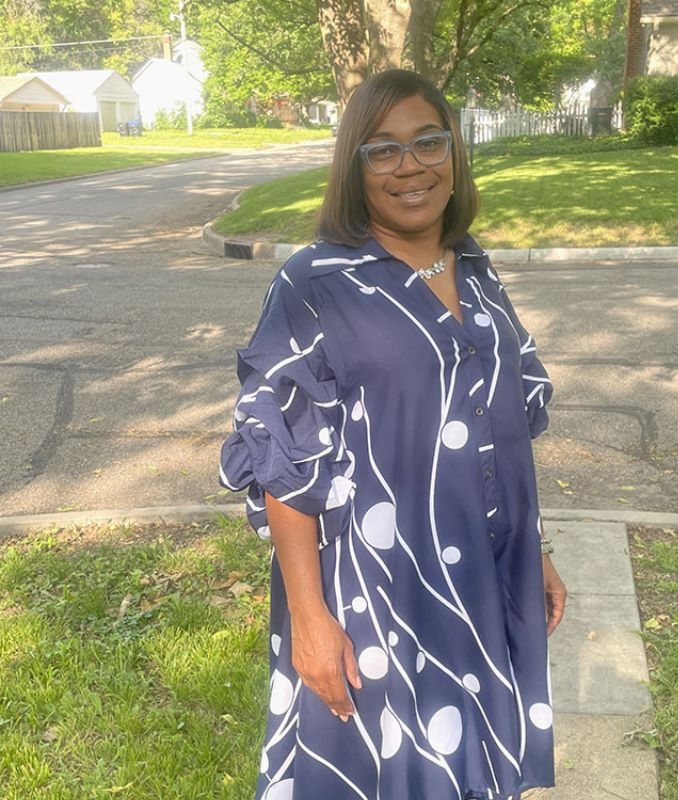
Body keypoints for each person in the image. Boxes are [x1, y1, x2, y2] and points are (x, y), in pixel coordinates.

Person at [219, 68, 567, 800]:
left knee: (464, 759)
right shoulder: (315, 283)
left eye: (428, 142)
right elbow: (283, 460)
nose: (410, 167)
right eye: (382, 150)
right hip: (376, 588)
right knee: (378, 766)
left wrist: (534, 551)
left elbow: (499, 423)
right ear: (355, 167)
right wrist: (310, 618)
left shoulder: (472, 265)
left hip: (481, 570)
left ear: (454, 152)